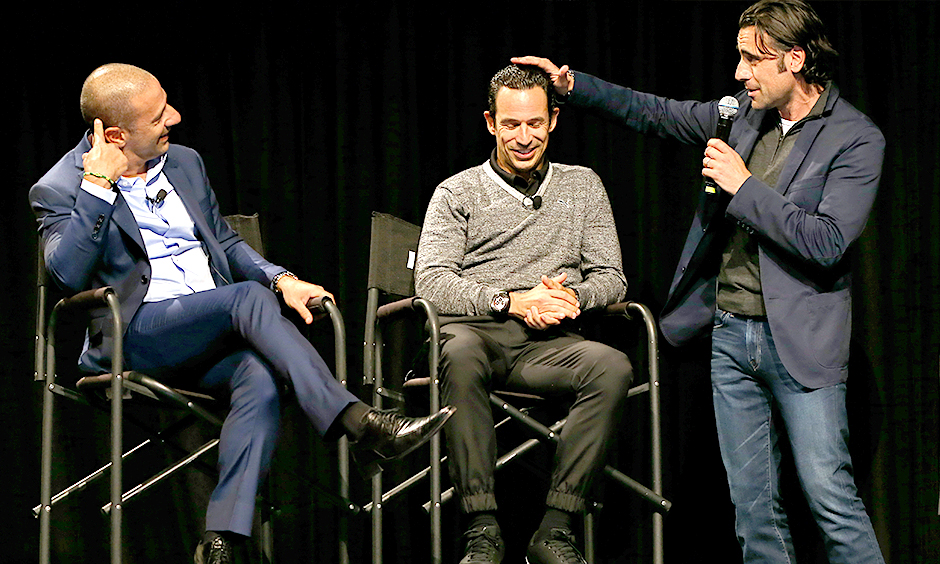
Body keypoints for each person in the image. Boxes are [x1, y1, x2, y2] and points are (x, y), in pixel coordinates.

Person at [29, 63, 454, 564]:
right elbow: (67, 275)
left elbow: (224, 242)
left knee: (259, 375)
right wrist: (98, 186)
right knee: (246, 300)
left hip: (206, 329)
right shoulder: (59, 186)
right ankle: (359, 423)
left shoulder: (184, 162)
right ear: (116, 135)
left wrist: (281, 279)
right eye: (159, 115)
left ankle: (221, 542)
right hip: (134, 334)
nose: (174, 117)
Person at [514, 0, 886, 562]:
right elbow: (655, 113)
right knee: (754, 511)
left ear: (795, 59)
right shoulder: (743, 115)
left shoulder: (855, 137)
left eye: (752, 59)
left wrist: (744, 186)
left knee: (830, 501)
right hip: (731, 337)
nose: (740, 73)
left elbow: (826, 241)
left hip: (802, 344)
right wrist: (572, 88)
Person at [414, 64, 632, 564]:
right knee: (460, 353)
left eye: (534, 123)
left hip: (551, 344)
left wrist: (570, 297)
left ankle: (556, 528)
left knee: (612, 366)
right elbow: (432, 282)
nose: (524, 137)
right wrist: (510, 301)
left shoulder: (583, 186)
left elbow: (612, 277)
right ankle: (481, 529)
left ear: (552, 120)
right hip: (477, 337)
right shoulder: (456, 192)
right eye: (511, 124)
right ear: (491, 123)